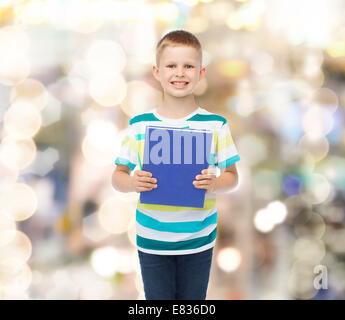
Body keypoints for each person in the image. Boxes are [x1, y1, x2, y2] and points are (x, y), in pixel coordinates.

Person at [112, 30, 241, 300]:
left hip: (199, 239)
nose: (179, 73)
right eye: (171, 66)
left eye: (188, 66)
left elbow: (232, 176)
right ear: (157, 72)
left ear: (201, 73)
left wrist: (215, 183)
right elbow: (118, 176)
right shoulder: (140, 125)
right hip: (152, 240)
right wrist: (132, 182)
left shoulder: (216, 125)